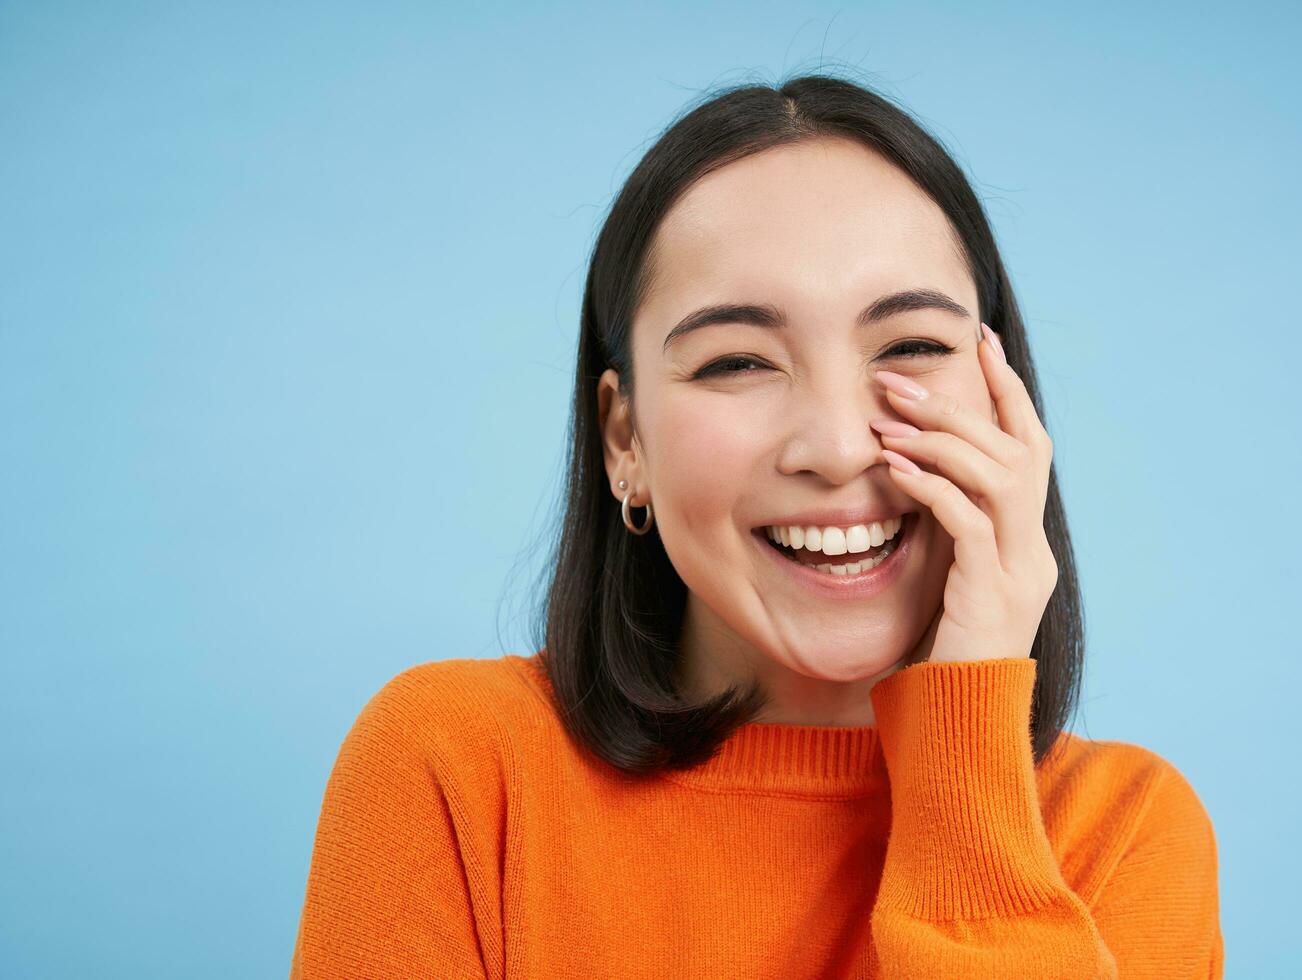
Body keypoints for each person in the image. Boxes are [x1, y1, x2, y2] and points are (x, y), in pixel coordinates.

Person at [289, 73, 1224, 978]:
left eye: (911, 348)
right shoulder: (455, 767)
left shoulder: (1125, 833)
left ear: (1003, 399)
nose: (835, 446)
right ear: (626, 439)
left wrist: (969, 722)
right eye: (737, 361)